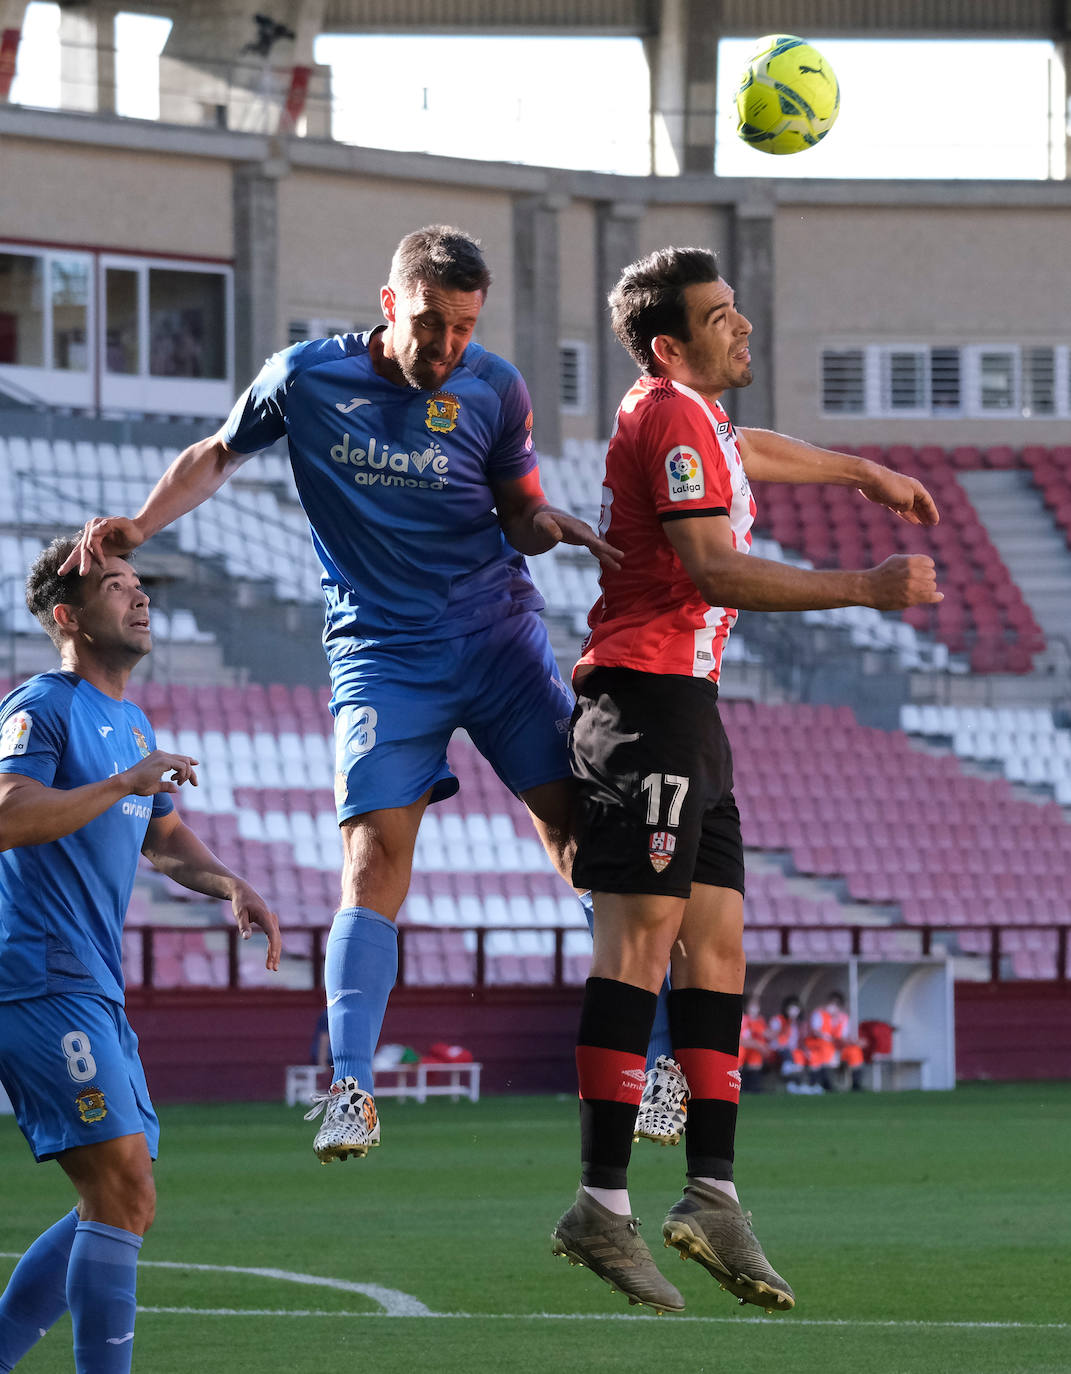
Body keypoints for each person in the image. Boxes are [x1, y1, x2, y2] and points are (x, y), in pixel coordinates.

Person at [62, 225, 620, 1165]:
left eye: (465, 328)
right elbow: (217, 450)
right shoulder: (305, 378)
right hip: (380, 653)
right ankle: (351, 1088)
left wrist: (541, 526)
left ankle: (639, 1061)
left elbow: (519, 507)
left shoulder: (494, 387)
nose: (448, 348)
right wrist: (143, 525)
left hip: (496, 637)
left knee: (575, 837)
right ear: (389, 303)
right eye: (433, 325)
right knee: (371, 863)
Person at [550, 245, 942, 1315]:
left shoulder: (689, 412)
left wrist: (858, 471)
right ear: (671, 342)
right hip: (641, 707)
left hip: (689, 709)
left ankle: (713, 1194)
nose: (745, 328)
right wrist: (863, 586)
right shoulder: (670, 417)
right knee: (640, 950)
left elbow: (745, 447)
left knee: (717, 947)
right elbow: (714, 567)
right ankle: (598, 1204)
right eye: (722, 316)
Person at [0, 537, 280, 1374]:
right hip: (39, 974)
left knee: (123, 1200)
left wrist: (228, 882)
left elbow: (162, 841)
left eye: (139, 584)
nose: (139, 596)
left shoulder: (131, 722)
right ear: (67, 616)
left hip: (91, 981)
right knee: (121, 1191)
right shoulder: (40, 705)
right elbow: (9, 815)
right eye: (115, 586)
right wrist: (124, 782)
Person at [806, 990, 865, 1092]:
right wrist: (826, 1037)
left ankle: (856, 1084)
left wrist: (854, 1042)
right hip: (820, 1045)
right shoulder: (820, 1014)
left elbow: (844, 1036)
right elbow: (815, 1031)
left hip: (838, 1045)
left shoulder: (844, 1018)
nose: (833, 1007)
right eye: (831, 1003)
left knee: (854, 1051)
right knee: (825, 1049)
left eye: (836, 1004)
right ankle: (826, 1084)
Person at [767, 994, 816, 1094]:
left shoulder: (798, 1023)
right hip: (778, 1050)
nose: (794, 1011)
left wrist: (806, 1050)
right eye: (791, 1008)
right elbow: (773, 1036)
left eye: (796, 1008)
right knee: (788, 1052)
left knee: (802, 1056)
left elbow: (801, 1040)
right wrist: (788, 1022)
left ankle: (800, 1085)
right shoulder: (778, 1019)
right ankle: (790, 1076)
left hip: (793, 1051)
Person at [738, 993, 769, 1094]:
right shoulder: (742, 1018)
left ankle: (752, 1086)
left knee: (755, 1054)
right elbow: (740, 1040)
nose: (755, 1008)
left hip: (746, 1057)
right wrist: (758, 1045)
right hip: (737, 1056)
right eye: (752, 1005)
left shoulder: (753, 1020)